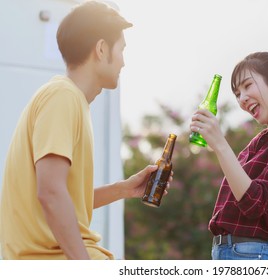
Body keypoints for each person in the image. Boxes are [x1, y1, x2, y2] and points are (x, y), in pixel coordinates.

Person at [0, 1, 171, 260]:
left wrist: (123, 189)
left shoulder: (69, 100)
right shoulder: (62, 96)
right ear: (102, 49)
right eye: (121, 50)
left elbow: (62, 197)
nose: (123, 62)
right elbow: (50, 192)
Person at [190, 51, 268, 260]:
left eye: (247, 86)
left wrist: (220, 144)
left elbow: (255, 202)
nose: (242, 99)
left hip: (254, 255)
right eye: (237, 94)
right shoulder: (259, 142)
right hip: (230, 253)